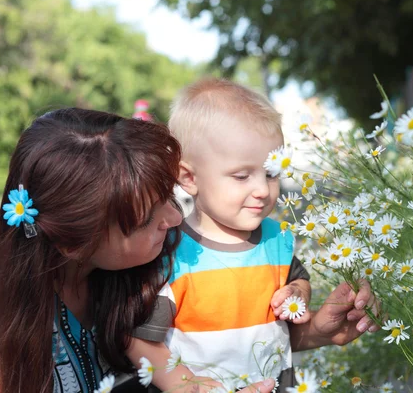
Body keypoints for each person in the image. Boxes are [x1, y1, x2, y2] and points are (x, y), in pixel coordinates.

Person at [0, 108, 277, 393]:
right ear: (74, 244)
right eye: (146, 220)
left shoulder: (164, 250)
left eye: (169, 195)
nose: (175, 218)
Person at [125, 78, 382, 392]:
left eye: (272, 172)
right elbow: (140, 341)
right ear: (189, 177)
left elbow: (295, 282)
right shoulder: (171, 253)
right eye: (242, 175)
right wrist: (184, 386)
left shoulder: (276, 239)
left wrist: (299, 297)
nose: (262, 189)